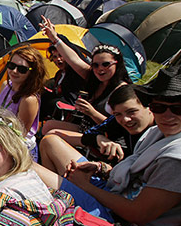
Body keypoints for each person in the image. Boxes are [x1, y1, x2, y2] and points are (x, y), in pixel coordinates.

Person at [35, 65, 181, 226]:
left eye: (179, 108)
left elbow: (137, 214)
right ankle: (51, 212)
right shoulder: (164, 133)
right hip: (115, 192)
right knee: (51, 142)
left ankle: (46, 219)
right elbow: (136, 174)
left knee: (25, 167)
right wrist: (100, 168)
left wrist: (85, 187)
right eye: (159, 107)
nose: (167, 115)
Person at [41, 17, 130, 145]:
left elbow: (119, 127)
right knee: (48, 126)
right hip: (87, 128)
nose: (100, 69)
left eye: (106, 64)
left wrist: (92, 112)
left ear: (117, 64)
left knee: (50, 138)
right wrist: (54, 39)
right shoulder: (94, 79)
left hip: (106, 137)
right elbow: (74, 60)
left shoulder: (122, 91)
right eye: (95, 65)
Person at [39, 85, 155, 175]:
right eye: (118, 114)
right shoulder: (117, 120)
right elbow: (92, 132)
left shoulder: (160, 134)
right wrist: (99, 138)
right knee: (50, 138)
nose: (126, 119)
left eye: (132, 112)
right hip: (111, 177)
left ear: (150, 107)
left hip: (121, 193)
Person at [0, 45, 46, 158]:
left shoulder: (29, 100)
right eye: (11, 66)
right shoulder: (6, 86)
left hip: (19, 150)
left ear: (32, 72)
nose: (14, 71)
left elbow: (19, 134)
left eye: (22, 69)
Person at [40, 40, 85, 120]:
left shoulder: (75, 73)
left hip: (71, 106)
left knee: (52, 101)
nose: (58, 59)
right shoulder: (59, 74)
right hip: (58, 106)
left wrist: (56, 38)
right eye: (55, 57)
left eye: (61, 56)